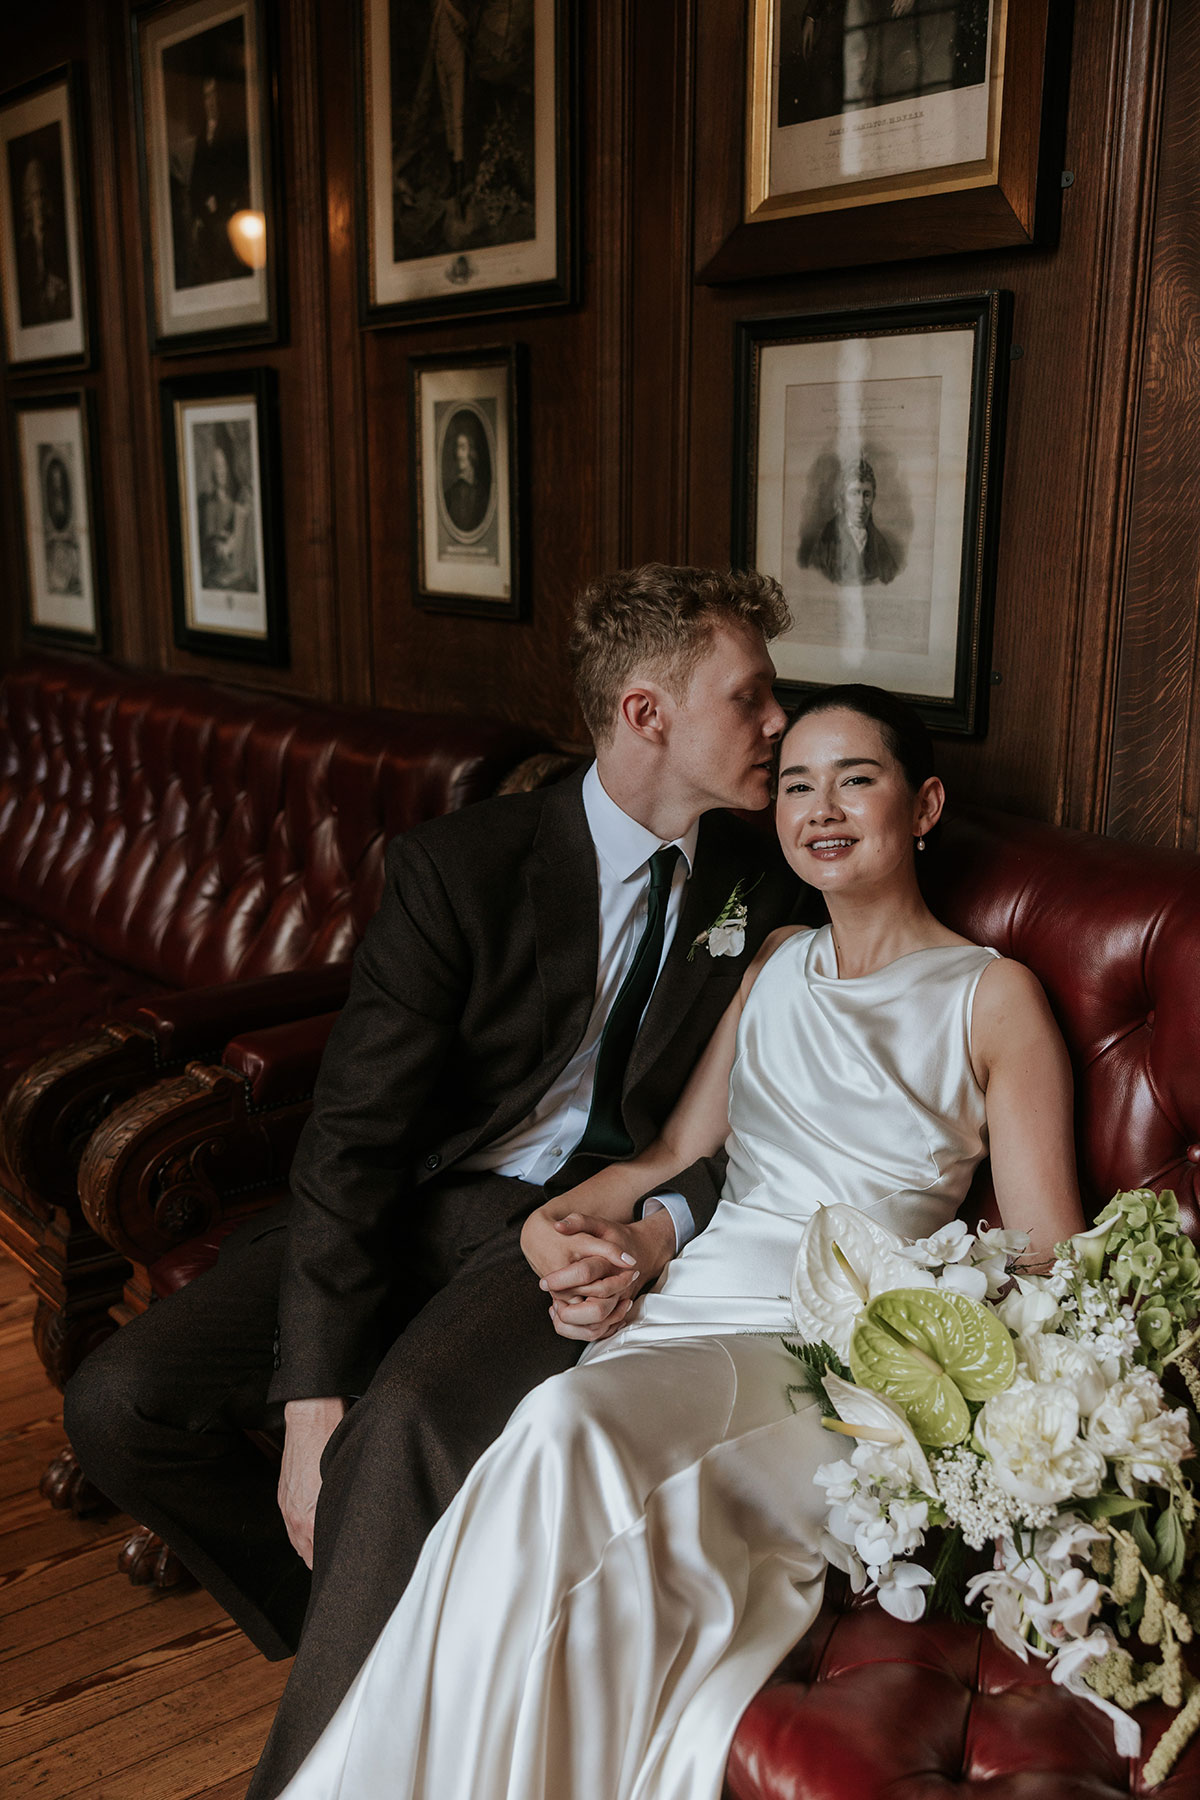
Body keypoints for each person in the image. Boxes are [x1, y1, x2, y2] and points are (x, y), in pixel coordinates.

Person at [63, 564, 799, 1800]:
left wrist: (662, 1223)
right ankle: (372, 1624)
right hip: (413, 1206)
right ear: (646, 713)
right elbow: (352, 1137)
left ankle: (299, 1773)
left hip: (572, 1227)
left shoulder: (764, 873)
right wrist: (305, 1412)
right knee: (120, 1401)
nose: (780, 723)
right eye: (753, 696)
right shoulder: (460, 867)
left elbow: (760, 1116)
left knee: (395, 1434)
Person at [274, 683, 1086, 1800]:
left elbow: (1050, 1258)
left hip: (832, 1349)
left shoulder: (992, 998)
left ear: (926, 804)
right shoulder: (773, 965)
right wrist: (550, 1231)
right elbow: (663, 1159)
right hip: (689, 1307)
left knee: (558, 1420)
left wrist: (987, 1401)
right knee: (529, 1460)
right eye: (797, 782)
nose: (821, 807)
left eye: (858, 778)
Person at [800, 452, 900, 586]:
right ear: (842, 498)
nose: (861, 504)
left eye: (867, 495)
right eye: (854, 493)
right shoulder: (826, 541)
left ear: (873, 498)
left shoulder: (880, 545)